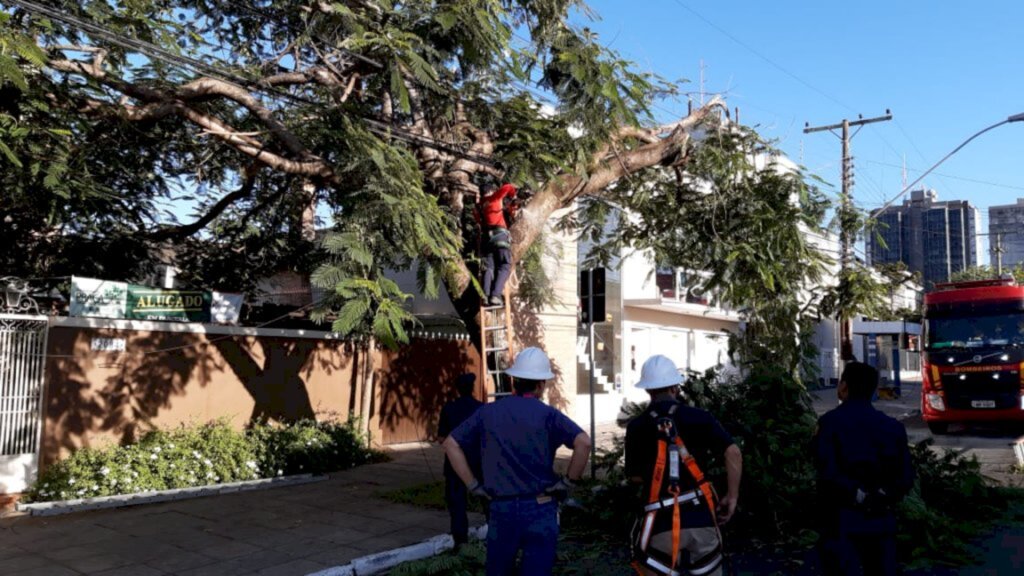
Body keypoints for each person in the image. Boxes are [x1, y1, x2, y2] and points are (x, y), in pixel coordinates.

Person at [443, 347, 591, 576]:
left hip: (501, 508)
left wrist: (473, 485)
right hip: (541, 507)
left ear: (514, 380)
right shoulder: (548, 415)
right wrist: (567, 483)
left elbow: (451, 444)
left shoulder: (487, 413)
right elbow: (584, 443)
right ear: (541, 384)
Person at [625, 355, 742, 576]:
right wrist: (732, 496)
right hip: (701, 519)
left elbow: (635, 477)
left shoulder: (637, 426)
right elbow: (733, 452)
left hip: (659, 524)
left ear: (648, 390)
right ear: (675, 387)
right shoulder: (700, 417)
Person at [813, 362, 915, 576]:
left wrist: (855, 493)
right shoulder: (892, 427)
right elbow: (905, 477)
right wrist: (882, 494)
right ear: (874, 390)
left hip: (840, 521)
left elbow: (826, 471)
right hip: (881, 520)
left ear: (843, 387)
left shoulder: (829, 423)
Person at [437, 373, 484, 547]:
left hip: (454, 464)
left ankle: (461, 544)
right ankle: (498, 538)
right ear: (472, 388)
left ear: (457, 389)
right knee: (487, 501)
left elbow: (442, 438)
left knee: (457, 506)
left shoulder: (449, 408)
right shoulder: (481, 408)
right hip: (478, 463)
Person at [476, 182, 518, 307]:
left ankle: (485, 296)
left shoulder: (480, 205)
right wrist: (513, 196)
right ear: (490, 191)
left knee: (489, 268)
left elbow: (477, 218)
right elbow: (508, 186)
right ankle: (495, 296)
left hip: (487, 240)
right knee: (504, 266)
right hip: (500, 237)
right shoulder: (495, 197)